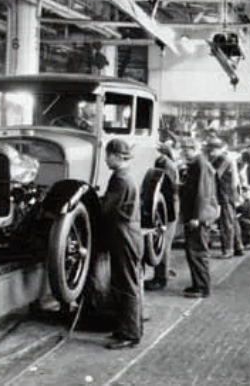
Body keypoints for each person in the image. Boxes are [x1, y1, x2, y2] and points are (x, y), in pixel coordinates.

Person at [101, 138, 144, 350]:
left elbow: (107, 208)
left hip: (124, 236)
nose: (105, 159)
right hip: (129, 234)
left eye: (107, 155)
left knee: (126, 285)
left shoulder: (119, 178)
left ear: (117, 156)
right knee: (125, 283)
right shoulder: (126, 175)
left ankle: (130, 334)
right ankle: (126, 328)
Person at [179, 138, 220, 299]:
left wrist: (196, 216)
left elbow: (202, 193)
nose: (183, 152)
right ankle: (198, 284)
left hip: (199, 217)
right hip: (196, 215)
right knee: (193, 251)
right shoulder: (196, 164)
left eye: (186, 149)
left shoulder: (200, 165)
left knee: (198, 251)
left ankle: (203, 288)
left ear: (194, 149)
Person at [144, 143, 180, 291]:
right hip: (168, 205)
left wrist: (167, 215)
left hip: (168, 206)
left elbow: (169, 190)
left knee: (163, 243)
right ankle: (165, 271)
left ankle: (161, 279)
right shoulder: (166, 163)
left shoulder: (165, 165)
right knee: (165, 243)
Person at [206, 137, 244, 259]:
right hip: (230, 194)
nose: (211, 152)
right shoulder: (225, 158)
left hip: (226, 195)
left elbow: (214, 174)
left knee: (226, 222)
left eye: (212, 150)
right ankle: (238, 247)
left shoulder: (223, 159)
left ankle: (228, 250)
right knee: (233, 221)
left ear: (218, 149)